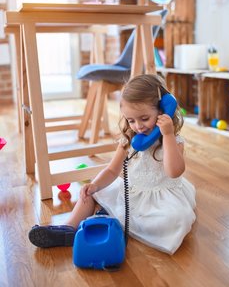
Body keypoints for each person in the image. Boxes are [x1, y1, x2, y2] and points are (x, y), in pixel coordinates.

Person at [29, 74, 196, 254]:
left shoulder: (174, 140)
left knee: (178, 218)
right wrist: (94, 186)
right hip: (133, 190)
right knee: (90, 193)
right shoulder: (128, 140)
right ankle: (68, 228)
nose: (138, 126)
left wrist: (168, 135)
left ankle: (110, 219)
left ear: (163, 111)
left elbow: (174, 171)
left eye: (144, 118)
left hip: (161, 198)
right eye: (131, 120)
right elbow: (112, 169)